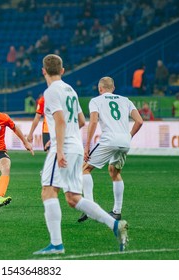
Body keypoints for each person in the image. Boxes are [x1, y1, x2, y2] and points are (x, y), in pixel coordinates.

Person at [33, 55, 129, 255]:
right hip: (75, 146)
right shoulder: (71, 90)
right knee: (73, 198)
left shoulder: (51, 91)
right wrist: (63, 137)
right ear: (63, 70)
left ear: (43, 71)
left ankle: (56, 245)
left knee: (48, 192)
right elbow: (81, 121)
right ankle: (114, 224)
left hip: (65, 147)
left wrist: (58, 147)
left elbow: (59, 121)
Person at [78, 77, 143, 224]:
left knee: (84, 169)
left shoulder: (96, 100)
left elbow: (93, 122)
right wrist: (129, 136)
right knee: (115, 172)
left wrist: (87, 145)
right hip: (124, 141)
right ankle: (117, 211)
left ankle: (90, 208)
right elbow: (139, 121)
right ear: (113, 88)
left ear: (100, 89)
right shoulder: (126, 100)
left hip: (109, 139)